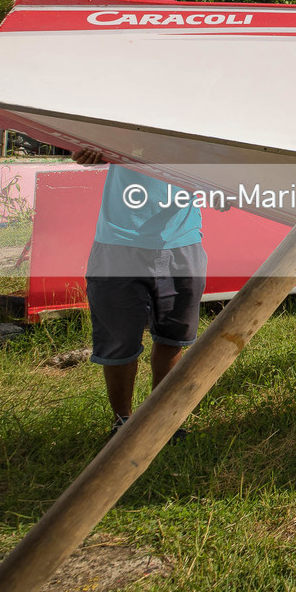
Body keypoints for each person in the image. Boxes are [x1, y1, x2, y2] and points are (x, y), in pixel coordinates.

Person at [73, 149, 208, 439]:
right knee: (119, 340)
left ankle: (159, 420)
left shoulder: (199, 114)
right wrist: (89, 147)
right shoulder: (129, 112)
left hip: (181, 242)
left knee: (173, 338)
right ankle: (123, 423)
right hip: (119, 242)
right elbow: (87, 137)